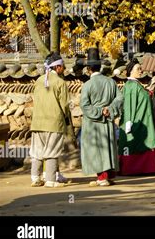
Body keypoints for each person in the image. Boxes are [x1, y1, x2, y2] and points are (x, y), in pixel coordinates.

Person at [80, 48, 123, 186]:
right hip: (108, 119)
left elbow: (84, 105)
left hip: (93, 121)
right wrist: (109, 109)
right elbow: (120, 99)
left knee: (96, 148)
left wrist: (98, 112)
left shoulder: (87, 85)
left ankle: (102, 177)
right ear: (100, 66)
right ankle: (108, 175)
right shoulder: (111, 82)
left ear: (88, 69)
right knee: (108, 146)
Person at [29, 52, 73, 188]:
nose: (64, 68)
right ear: (58, 67)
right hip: (54, 122)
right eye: (63, 65)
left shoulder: (38, 81)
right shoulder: (60, 83)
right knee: (52, 151)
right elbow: (65, 105)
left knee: (37, 151)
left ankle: (35, 177)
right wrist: (67, 120)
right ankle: (50, 180)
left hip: (37, 122)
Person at [118, 58, 155, 175]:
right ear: (130, 71)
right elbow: (129, 104)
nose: (141, 71)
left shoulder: (137, 84)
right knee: (135, 143)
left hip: (144, 120)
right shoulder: (131, 85)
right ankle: (131, 168)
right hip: (137, 121)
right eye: (138, 69)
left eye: (141, 68)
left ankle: (145, 168)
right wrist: (129, 122)